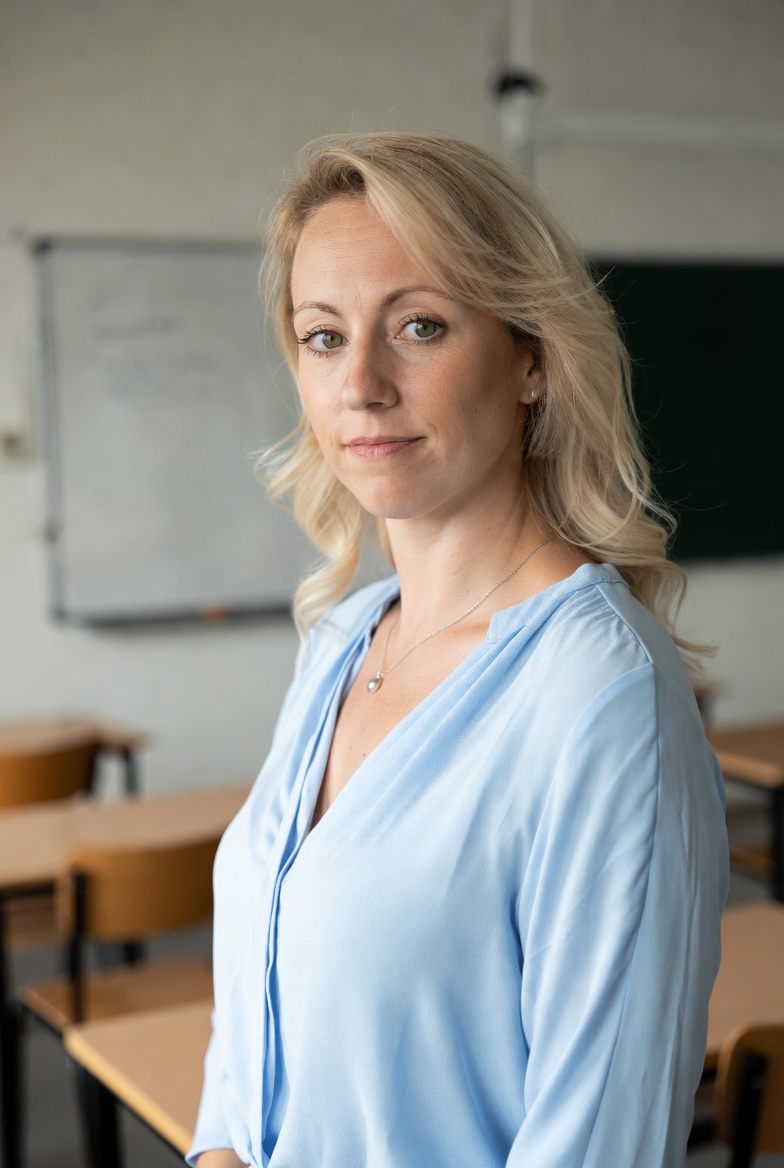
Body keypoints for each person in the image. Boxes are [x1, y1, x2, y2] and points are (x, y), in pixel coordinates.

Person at [188, 132, 728, 1168]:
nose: (363, 387)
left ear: (531, 359)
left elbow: (596, 1143)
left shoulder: (602, 697)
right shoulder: (343, 641)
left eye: (420, 327)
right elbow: (254, 1023)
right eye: (323, 337)